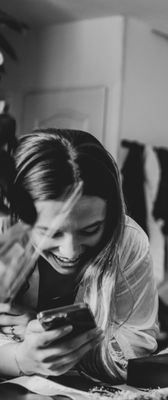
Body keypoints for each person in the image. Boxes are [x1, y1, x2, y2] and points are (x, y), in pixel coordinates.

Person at [0, 129, 159, 382]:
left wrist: (61, 341)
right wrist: (19, 357)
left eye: (90, 229)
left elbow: (137, 340)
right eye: (50, 232)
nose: (70, 251)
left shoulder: (129, 241)